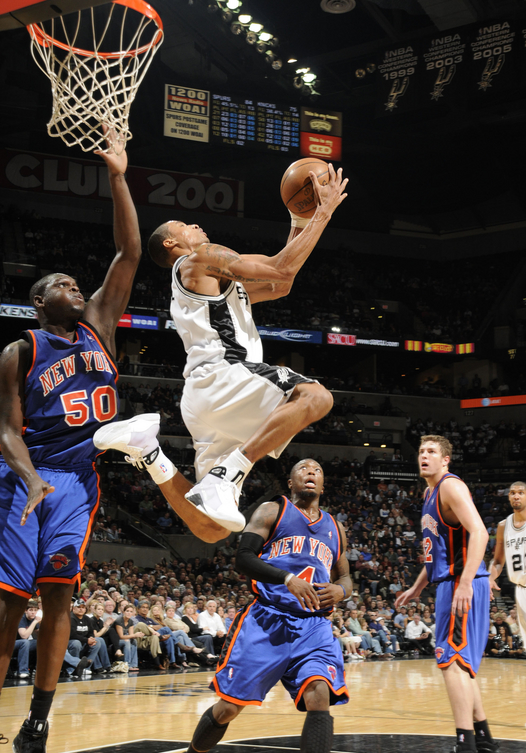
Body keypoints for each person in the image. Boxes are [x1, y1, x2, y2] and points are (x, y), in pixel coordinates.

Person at [0, 129, 143, 753]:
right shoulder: (20, 350)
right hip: (22, 479)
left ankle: (37, 725)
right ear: (39, 301)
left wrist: (117, 175)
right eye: (62, 283)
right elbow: (6, 431)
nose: (75, 285)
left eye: (77, 281)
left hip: (77, 484)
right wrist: (30, 479)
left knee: (59, 594)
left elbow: (129, 251)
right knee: (9, 605)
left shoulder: (101, 327)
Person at [95, 165, 348, 534]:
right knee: (316, 397)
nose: (196, 225)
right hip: (226, 374)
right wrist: (323, 212)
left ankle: (149, 453)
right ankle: (227, 475)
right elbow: (281, 268)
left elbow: (281, 283)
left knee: (212, 529)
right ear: (170, 243)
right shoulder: (200, 258)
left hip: (208, 398)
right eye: (185, 225)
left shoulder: (209, 280)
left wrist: (299, 219)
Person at [151, 458, 351, 753]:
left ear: (323, 483)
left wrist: (342, 591)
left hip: (314, 625)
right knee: (228, 708)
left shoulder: (336, 528)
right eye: (303, 469)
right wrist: (286, 578)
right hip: (267, 620)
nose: (310, 472)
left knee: (319, 695)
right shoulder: (273, 511)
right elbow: (243, 558)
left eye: (317, 470)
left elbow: (345, 576)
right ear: (291, 482)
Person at [396, 435, 504, 753]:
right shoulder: (429, 493)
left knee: (452, 663)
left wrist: (467, 581)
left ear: (446, 460)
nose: (424, 456)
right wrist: (418, 586)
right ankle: (486, 748)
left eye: (431, 452)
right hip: (450, 580)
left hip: (461, 582)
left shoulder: (450, 486)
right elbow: (440, 549)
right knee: (463, 668)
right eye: (421, 451)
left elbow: (480, 533)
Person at [489, 481, 526, 729]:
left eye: (520, 493)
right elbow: (497, 562)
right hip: (522, 592)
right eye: (512, 493)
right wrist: (490, 578)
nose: (516, 496)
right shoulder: (504, 526)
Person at [13, 600, 40, 679]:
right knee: (25, 642)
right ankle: (22, 671)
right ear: (25, 611)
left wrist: (41, 623)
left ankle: (37, 669)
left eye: (35, 610)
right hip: (11, 644)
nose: (33, 612)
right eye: (31, 610)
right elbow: (24, 635)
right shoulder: (21, 618)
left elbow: (40, 635)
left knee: (41, 643)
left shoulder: (34, 619)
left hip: (24, 644)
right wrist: (35, 622)